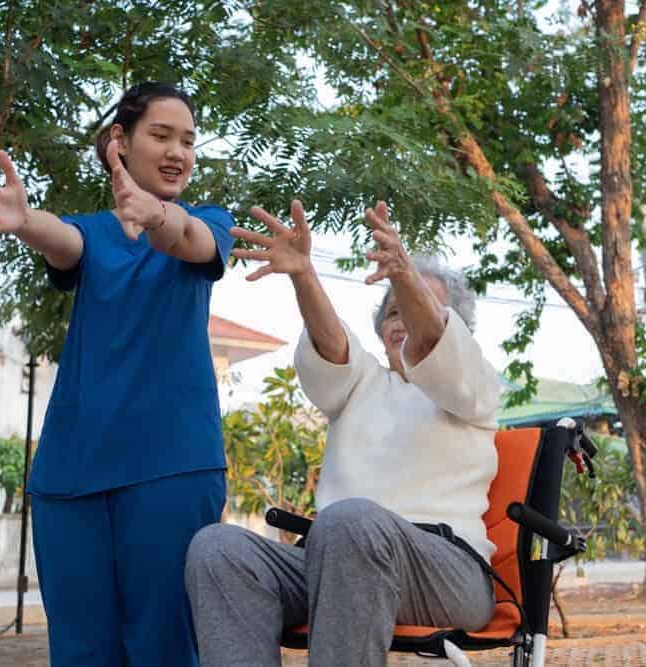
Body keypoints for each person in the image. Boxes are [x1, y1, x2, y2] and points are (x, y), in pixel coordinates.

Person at [0, 81, 233, 666]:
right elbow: (64, 241)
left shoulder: (207, 220)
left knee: (163, 645)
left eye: (188, 139)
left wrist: (155, 213)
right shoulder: (95, 233)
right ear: (119, 142)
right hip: (70, 476)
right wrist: (25, 220)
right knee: (81, 650)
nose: (178, 150)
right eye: (161, 135)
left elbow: (188, 240)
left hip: (172, 469)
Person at [184, 199, 503, 666]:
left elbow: (434, 339)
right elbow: (333, 345)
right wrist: (303, 274)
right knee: (218, 550)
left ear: (458, 326)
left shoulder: (473, 381)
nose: (404, 321)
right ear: (380, 327)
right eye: (394, 312)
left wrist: (403, 274)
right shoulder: (362, 382)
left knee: (350, 521)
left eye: (417, 307)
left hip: (446, 570)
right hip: (334, 555)